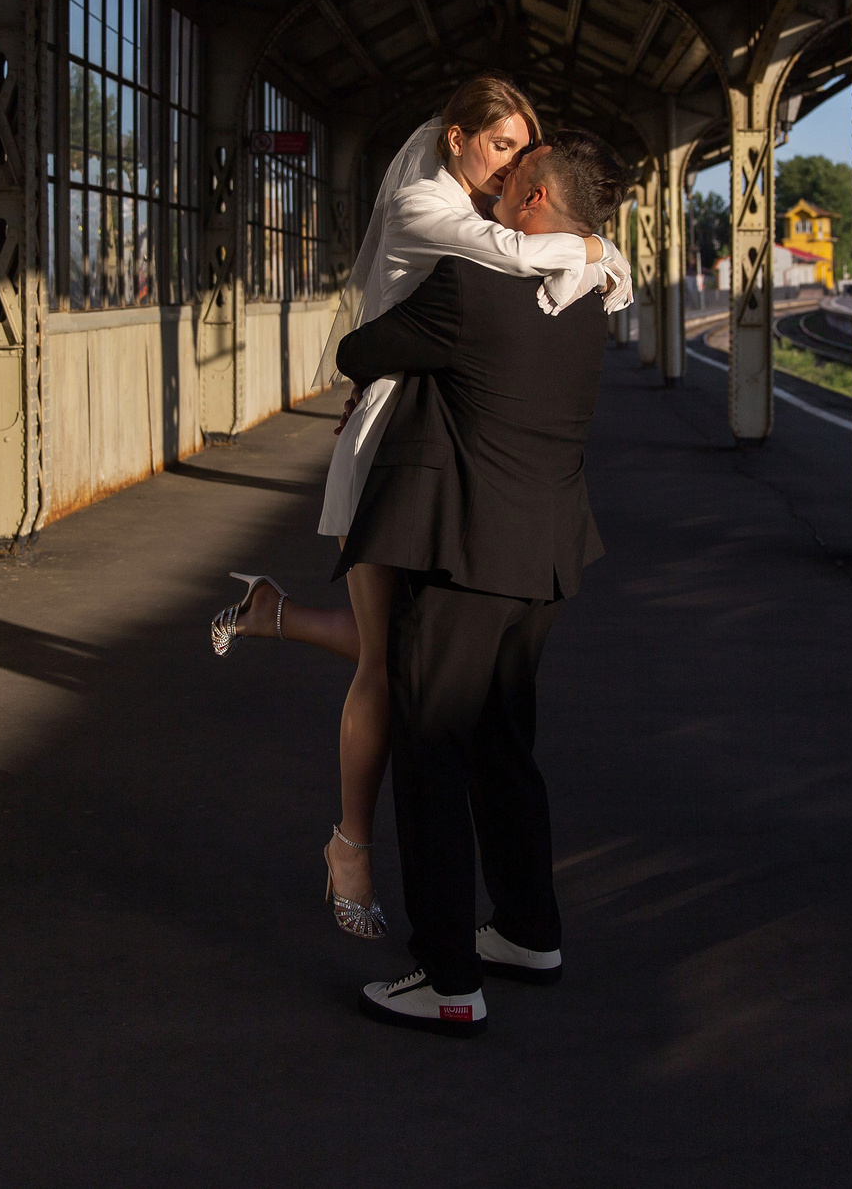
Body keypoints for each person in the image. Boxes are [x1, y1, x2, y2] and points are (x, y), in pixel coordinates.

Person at [208, 77, 628, 939]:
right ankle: (365, 852)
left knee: (416, 678)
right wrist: (597, 253)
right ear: (455, 140)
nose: (506, 168)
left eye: (521, 153)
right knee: (407, 677)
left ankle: (274, 616)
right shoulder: (442, 216)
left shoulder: (487, 250)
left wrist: (589, 250)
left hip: (447, 483)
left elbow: (412, 322)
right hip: (438, 481)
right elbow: (513, 256)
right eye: (500, 146)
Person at [331, 127, 628, 1035]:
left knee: (432, 754)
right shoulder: (594, 300)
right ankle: (529, 929)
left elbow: (358, 352)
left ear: (535, 200)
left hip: (463, 557)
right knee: (504, 747)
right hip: (545, 560)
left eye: (510, 184)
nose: (495, 194)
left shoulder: (464, 288)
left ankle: (448, 974)